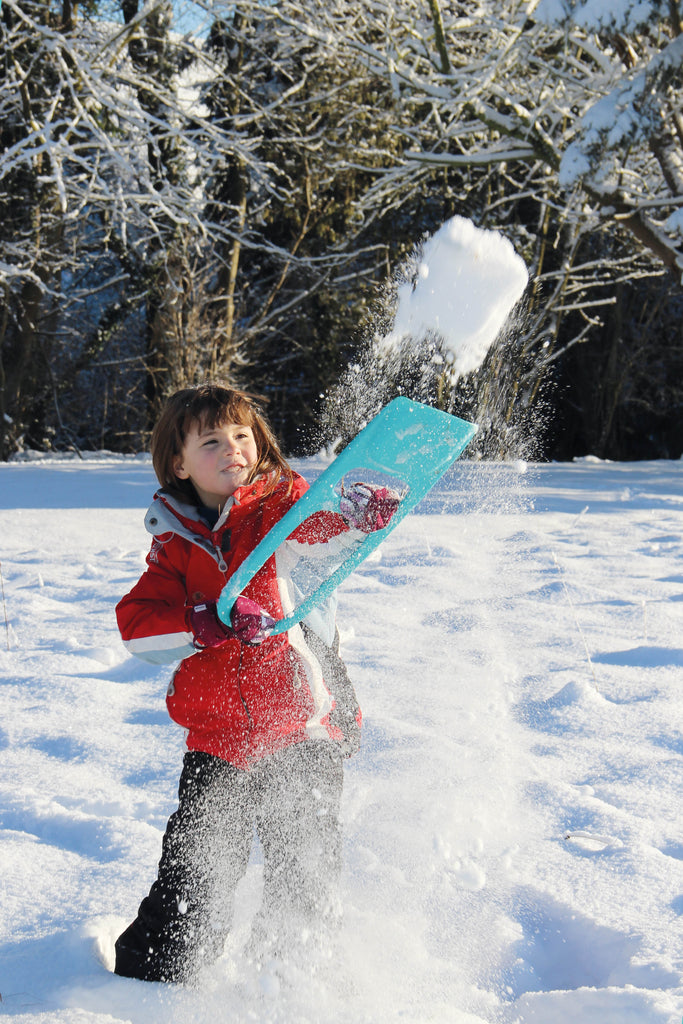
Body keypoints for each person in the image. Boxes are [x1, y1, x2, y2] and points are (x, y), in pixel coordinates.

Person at [113, 382, 399, 984]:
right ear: (178, 463)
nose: (232, 450)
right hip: (219, 741)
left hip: (302, 727)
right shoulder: (174, 548)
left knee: (303, 862)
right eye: (212, 441)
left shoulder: (281, 506)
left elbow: (322, 528)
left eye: (242, 435)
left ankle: (291, 978)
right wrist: (202, 621)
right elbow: (138, 629)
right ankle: (153, 979)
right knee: (197, 870)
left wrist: (358, 516)